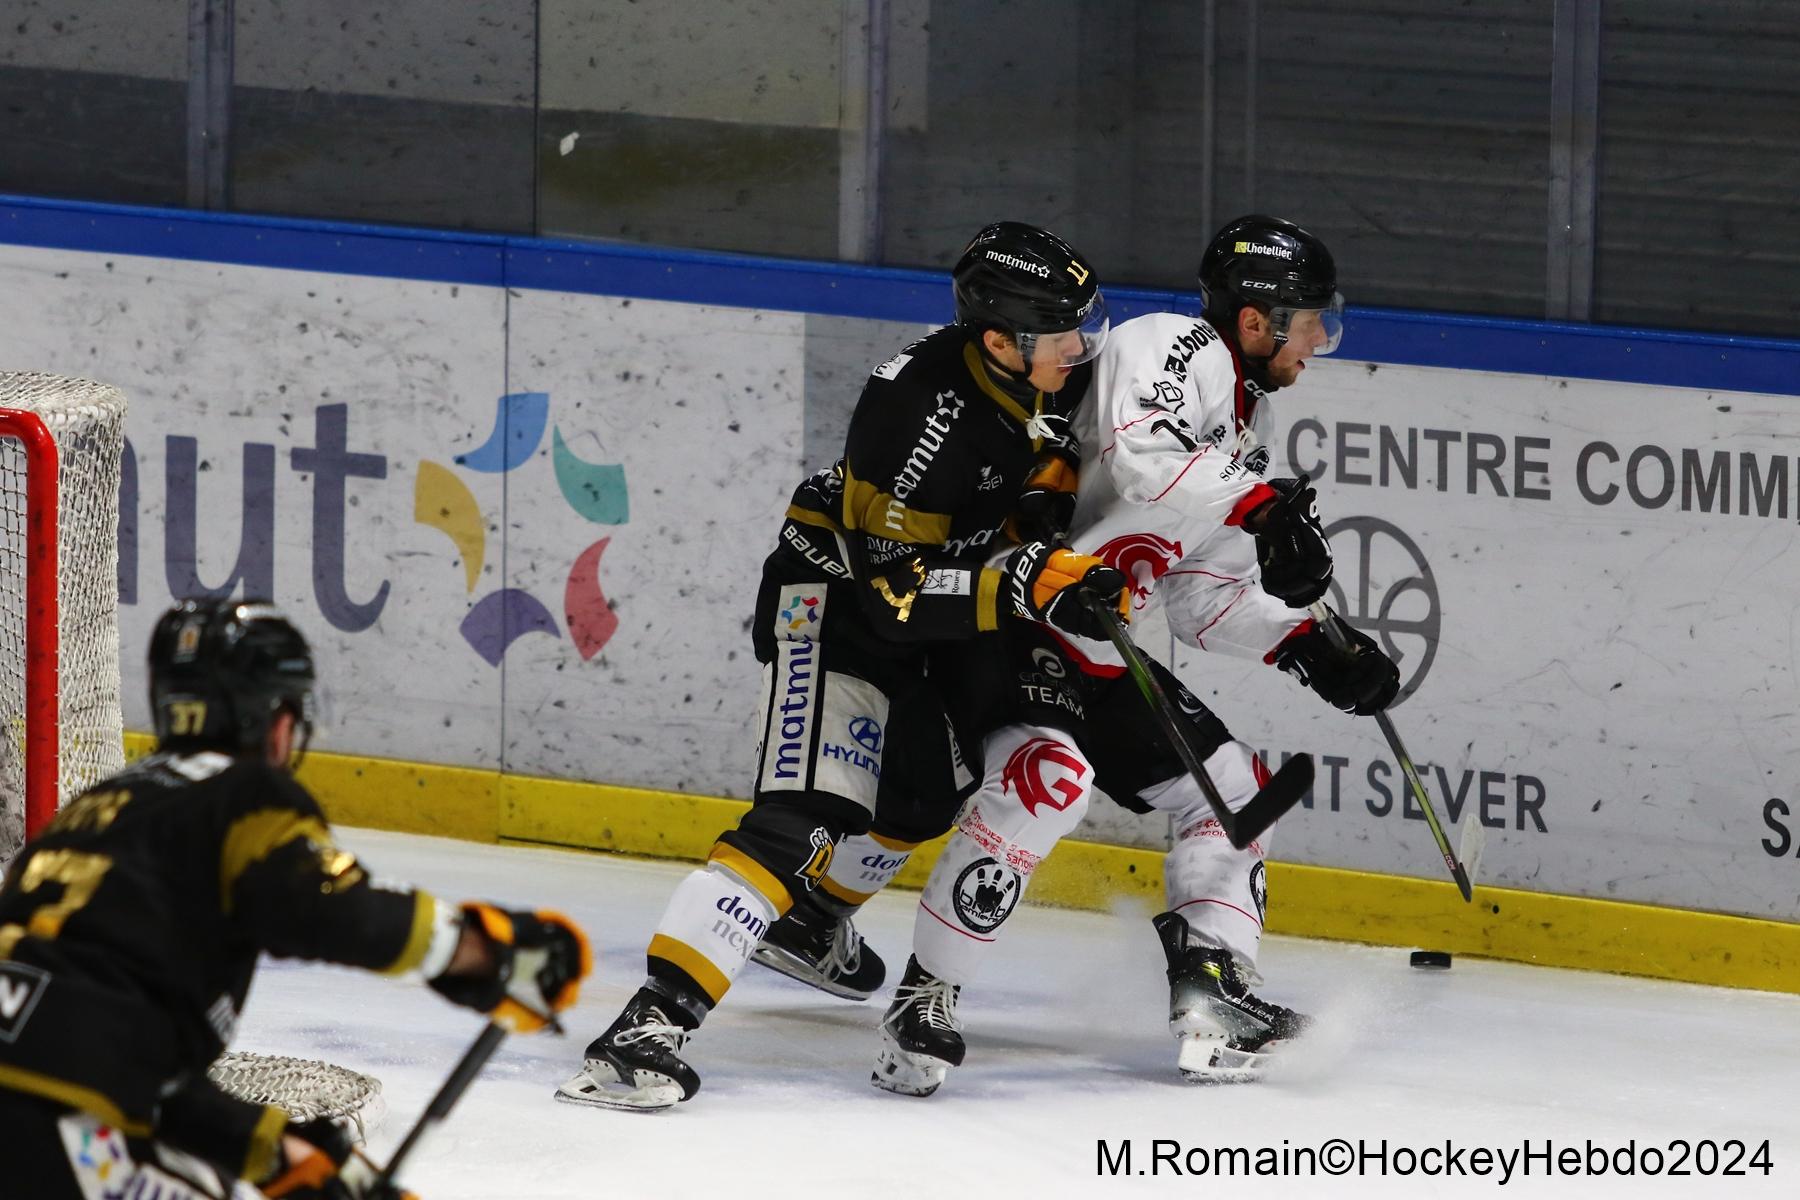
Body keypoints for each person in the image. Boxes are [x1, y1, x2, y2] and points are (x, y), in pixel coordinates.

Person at [556, 222, 1129, 1113]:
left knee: (923, 796)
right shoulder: (915, 418)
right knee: (807, 818)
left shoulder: (1044, 376)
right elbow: (896, 592)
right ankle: (644, 1029)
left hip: (932, 613)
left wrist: (1043, 517)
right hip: (833, 608)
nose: (1082, 344)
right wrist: (1027, 577)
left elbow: (1018, 494)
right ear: (998, 341)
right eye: (1062, 329)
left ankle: (815, 920)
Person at [870, 214, 1401, 1097]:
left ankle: (1214, 997)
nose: (1318, 342)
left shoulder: (1241, 424)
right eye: (1308, 321)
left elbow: (1203, 600)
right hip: (1010, 605)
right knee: (1047, 778)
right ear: (1256, 319)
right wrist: (1265, 508)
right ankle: (923, 1001)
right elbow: (1145, 456)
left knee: (1233, 787)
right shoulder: (1174, 345)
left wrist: (1308, 646)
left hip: (1091, 637)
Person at [0, 598, 591, 1199]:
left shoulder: (92, 809)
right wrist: (489, 955)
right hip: (63, 1120)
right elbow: (335, 910)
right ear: (270, 719)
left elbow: (132, 1069)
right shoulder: (243, 794)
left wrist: (288, 1157)